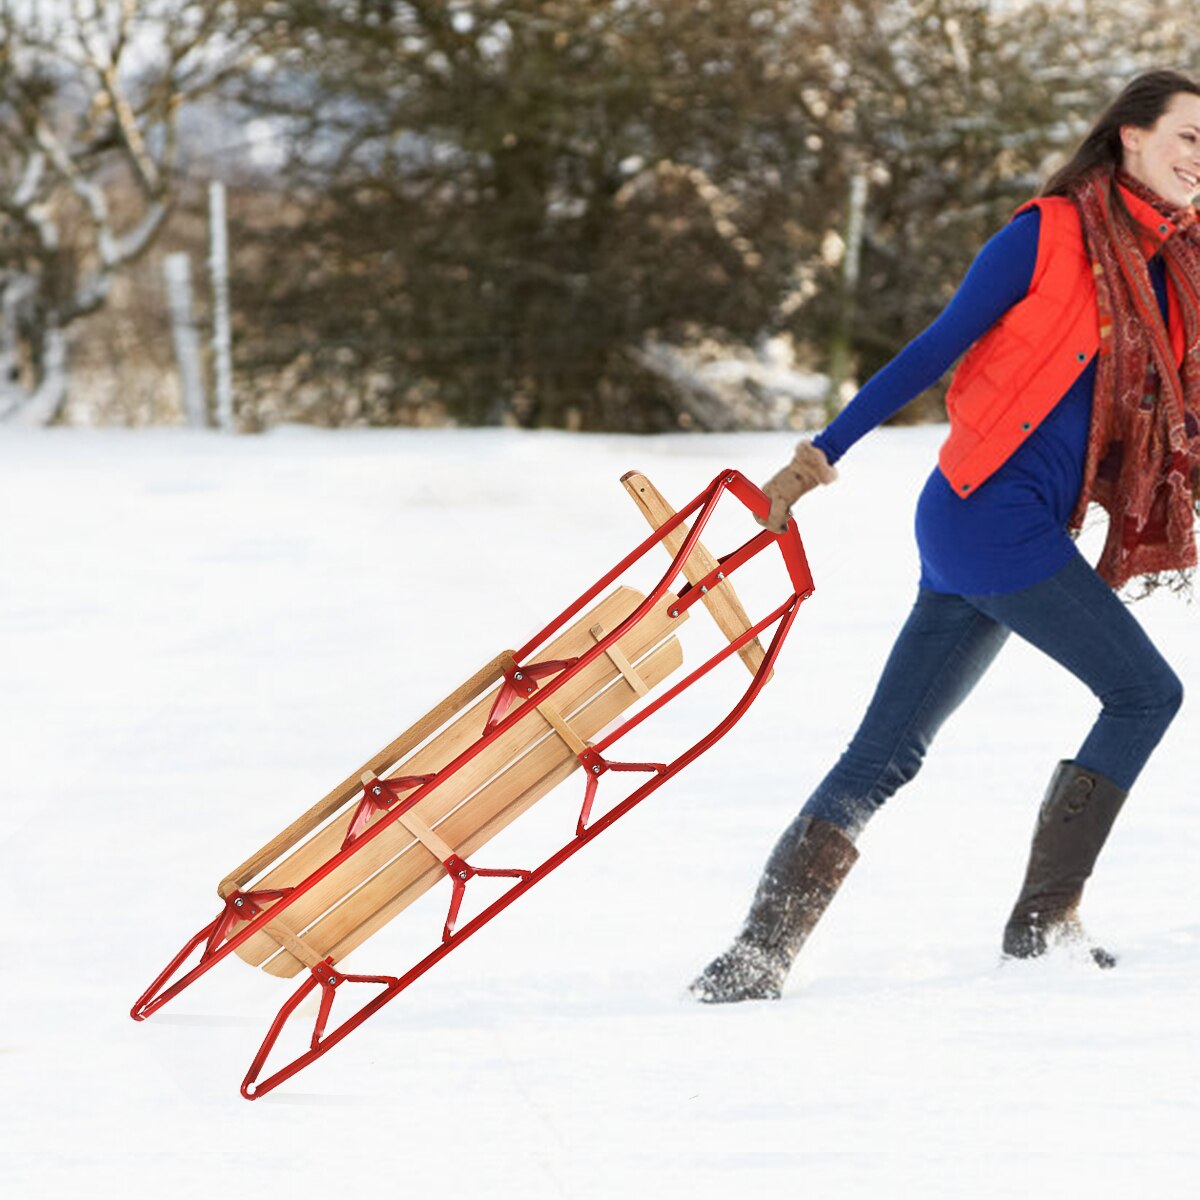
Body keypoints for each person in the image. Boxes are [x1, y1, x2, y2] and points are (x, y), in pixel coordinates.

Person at [691, 69, 1200, 1003]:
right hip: (985, 510)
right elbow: (931, 349)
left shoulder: (1174, 270)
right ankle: (1042, 923)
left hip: (1013, 525)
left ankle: (754, 959)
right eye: (1190, 136)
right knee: (1144, 693)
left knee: (889, 753)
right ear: (1130, 135)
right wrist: (815, 460)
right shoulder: (1046, 233)